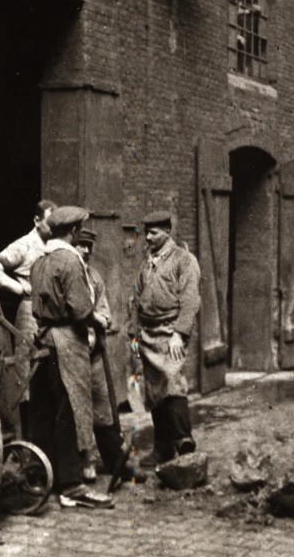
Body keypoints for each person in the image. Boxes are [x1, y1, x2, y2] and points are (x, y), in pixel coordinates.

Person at [30, 206, 114, 509]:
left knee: (45, 409)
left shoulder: (40, 260)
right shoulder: (70, 261)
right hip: (66, 341)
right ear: (75, 231)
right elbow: (80, 309)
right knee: (70, 409)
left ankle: (43, 475)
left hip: (42, 339)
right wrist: (98, 322)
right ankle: (72, 486)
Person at [131, 211, 201, 468]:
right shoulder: (147, 262)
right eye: (146, 232)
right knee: (154, 390)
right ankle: (162, 448)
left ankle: (184, 441)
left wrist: (179, 334)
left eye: (154, 232)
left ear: (168, 232)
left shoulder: (184, 260)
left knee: (172, 382)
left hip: (170, 331)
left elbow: (191, 300)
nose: (148, 237)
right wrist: (133, 333)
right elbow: (136, 300)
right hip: (147, 333)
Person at [75, 227, 142, 485]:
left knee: (104, 406)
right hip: (72, 352)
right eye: (82, 244)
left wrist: (100, 322)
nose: (86, 250)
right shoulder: (68, 274)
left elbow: (104, 311)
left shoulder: (94, 277)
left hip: (93, 353)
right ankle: (83, 463)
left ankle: (116, 461)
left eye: (89, 246)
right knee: (77, 411)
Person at [0, 199, 57, 434]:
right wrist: (20, 289)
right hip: (29, 313)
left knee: (46, 372)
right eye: (49, 223)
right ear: (36, 221)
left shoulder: (53, 244)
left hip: (49, 314)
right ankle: (23, 434)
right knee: (23, 372)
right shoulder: (24, 245)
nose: (53, 227)